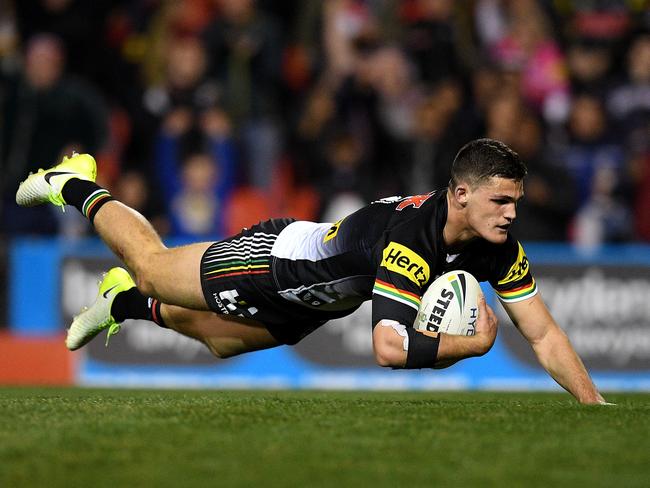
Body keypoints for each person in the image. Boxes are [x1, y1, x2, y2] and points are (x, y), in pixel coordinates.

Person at [16, 138, 607, 404]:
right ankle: (77, 181)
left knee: (217, 344)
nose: (511, 213)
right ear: (459, 195)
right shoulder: (412, 240)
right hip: (273, 263)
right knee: (148, 268)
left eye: (515, 202)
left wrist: (593, 407)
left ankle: (118, 305)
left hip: (313, 303)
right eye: (500, 201)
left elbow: (545, 333)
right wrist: (470, 346)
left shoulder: (495, 242)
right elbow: (387, 347)